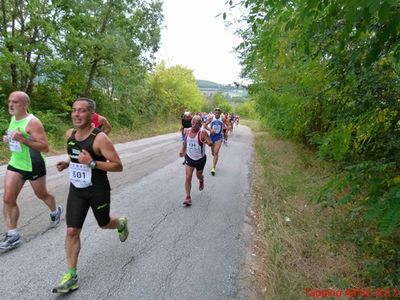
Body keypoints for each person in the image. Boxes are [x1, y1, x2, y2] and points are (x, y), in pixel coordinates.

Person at [52, 97, 128, 294]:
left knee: (104, 223)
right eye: (74, 110)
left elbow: (118, 166)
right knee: (71, 231)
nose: (76, 114)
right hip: (77, 189)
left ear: (91, 115)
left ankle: (120, 223)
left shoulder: (100, 138)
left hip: (97, 189)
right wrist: (68, 162)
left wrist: (92, 163)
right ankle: (71, 276)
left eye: (82, 111)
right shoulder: (70, 134)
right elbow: (75, 153)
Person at [0, 91, 63, 251]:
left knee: (42, 194)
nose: (11, 104)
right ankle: (12, 235)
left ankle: (55, 211)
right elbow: (16, 140)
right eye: (9, 101)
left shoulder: (33, 122)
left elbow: (45, 147)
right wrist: (8, 139)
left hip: (34, 164)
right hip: (16, 163)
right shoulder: (14, 118)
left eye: (15, 102)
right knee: (8, 198)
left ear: (25, 105)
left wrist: (23, 139)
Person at [179, 115, 213, 206]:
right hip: (189, 158)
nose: (193, 124)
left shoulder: (203, 133)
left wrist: (208, 143)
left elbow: (210, 142)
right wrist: (182, 150)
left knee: (198, 176)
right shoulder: (188, 131)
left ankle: (201, 180)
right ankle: (187, 196)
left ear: (199, 124)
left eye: (196, 123)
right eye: (192, 122)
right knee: (188, 177)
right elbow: (185, 142)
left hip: (200, 160)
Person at [205, 107, 225, 176]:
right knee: (213, 153)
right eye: (216, 111)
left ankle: (213, 167)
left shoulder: (222, 118)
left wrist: (226, 128)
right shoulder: (211, 118)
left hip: (219, 137)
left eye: (218, 111)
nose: (217, 112)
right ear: (214, 112)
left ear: (220, 113)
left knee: (216, 152)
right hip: (212, 137)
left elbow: (227, 125)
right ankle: (214, 157)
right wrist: (210, 130)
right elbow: (205, 125)